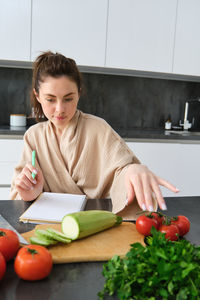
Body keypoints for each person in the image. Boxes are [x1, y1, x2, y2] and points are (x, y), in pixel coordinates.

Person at [10, 51, 179, 220]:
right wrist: (30, 193)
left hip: (97, 223)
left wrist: (131, 170)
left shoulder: (98, 128)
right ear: (37, 95)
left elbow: (121, 172)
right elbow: (19, 195)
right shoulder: (33, 136)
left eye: (68, 99)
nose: (60, 109)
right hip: (48, 225)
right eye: (50, 99)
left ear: (79, 93)